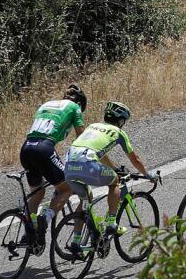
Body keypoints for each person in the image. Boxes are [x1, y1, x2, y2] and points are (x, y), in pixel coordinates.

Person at [62, 102, 153, 257]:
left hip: (69, 167)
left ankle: (76, 241)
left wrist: (114, 167)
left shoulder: (92, 126)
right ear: (120, 120)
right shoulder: (118, 132)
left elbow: (100, 154)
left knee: (84, 201)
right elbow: (135, 159)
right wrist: (147, 175)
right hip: (88, 165)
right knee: (115, 181)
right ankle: (111, 221)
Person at [19, 84, 88, 248]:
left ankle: (29, 233)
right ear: (79, 103)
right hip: (44, 148)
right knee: (67, 188)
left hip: (26, 148)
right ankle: (46, 218)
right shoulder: (74, 107)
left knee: (38, 194)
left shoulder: (46, 104)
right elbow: (82, 137)